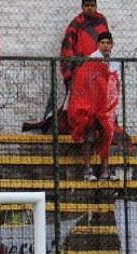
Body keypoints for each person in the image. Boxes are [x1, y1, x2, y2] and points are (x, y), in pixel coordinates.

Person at [22, 0, 108, 134]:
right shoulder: (76, 24)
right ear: (82, 7)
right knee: (74, 105)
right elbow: (68, 48)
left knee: (97, 103)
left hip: (97, 72)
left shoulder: (102, 21)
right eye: (87, 6)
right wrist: (72, 69)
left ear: (96, 7)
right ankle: (67, 128)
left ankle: (93, 131)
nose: (90, 8)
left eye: (92, 6)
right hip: (80, 72)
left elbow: (106, 44)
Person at [69, 32, 121, 181]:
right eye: (103, 43)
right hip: (92, 106)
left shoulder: (115, 62)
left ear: (111, 45)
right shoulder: (92, 60)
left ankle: (105, 171)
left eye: (108, 43)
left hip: (107, 107)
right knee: (90, 137)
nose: (105, 45)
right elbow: (84, 83)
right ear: (98, 44)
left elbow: (115, 84)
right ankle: (87, 170)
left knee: (107, 138)